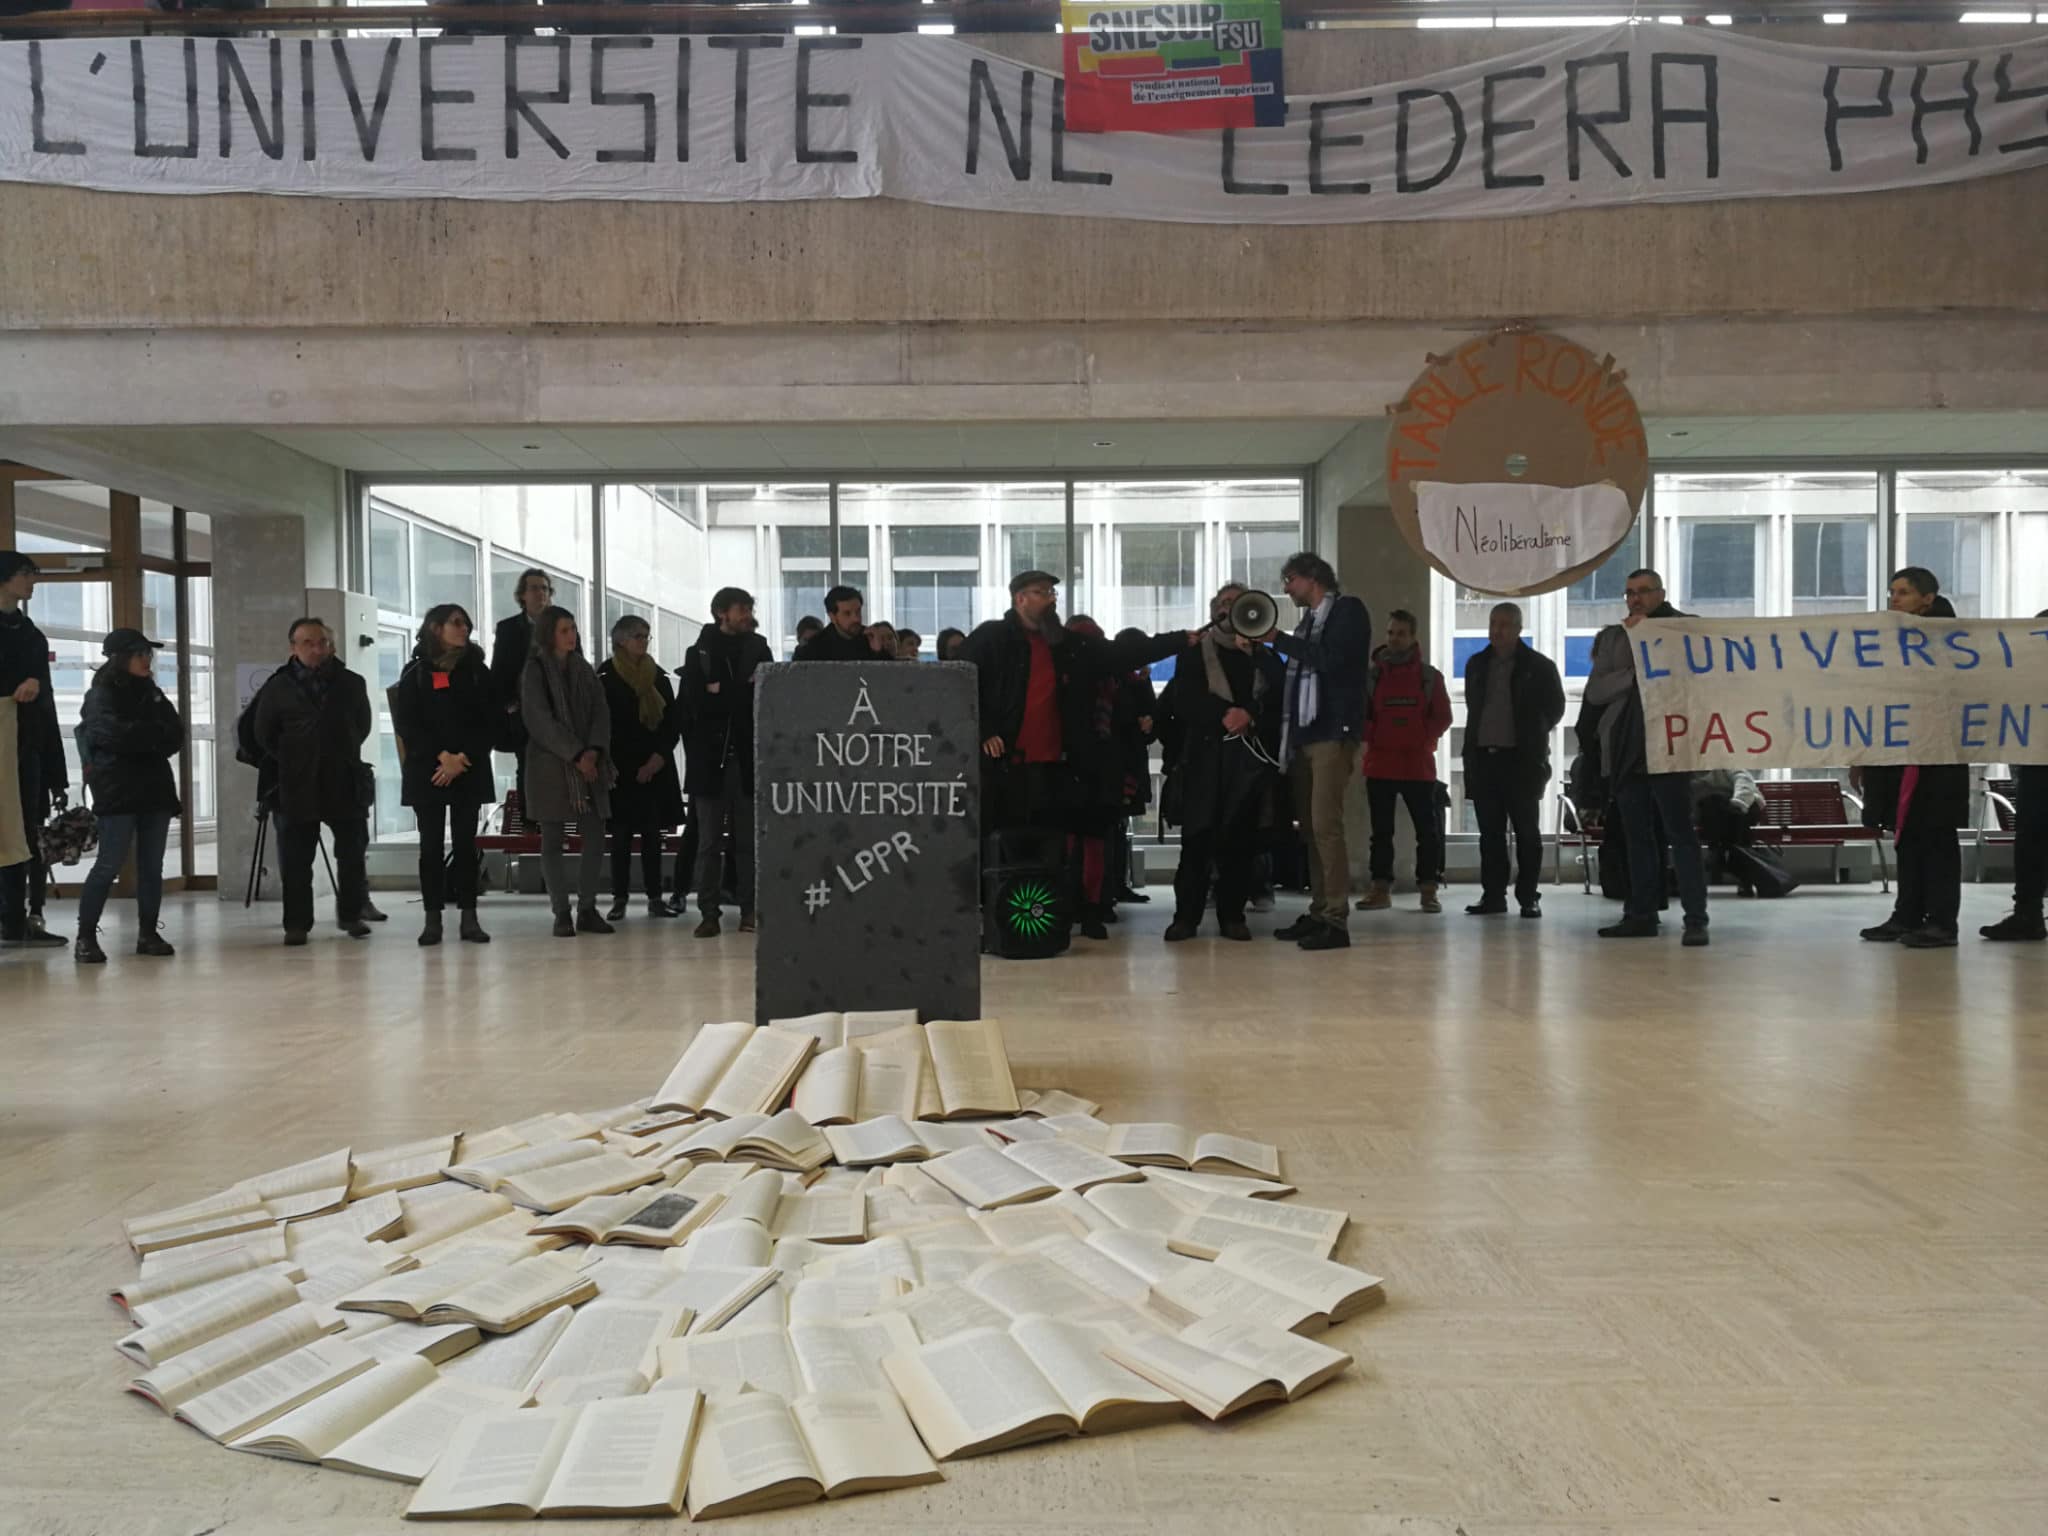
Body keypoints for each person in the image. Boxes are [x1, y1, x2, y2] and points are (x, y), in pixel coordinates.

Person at [962, 573, 1195, 935]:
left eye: (1052, 592)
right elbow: (961, 682)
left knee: (1052, 849)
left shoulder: (1066, 645)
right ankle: (998, 920)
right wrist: (985, 729)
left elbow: (1121, 653)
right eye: (1042, 593)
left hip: (1057, 766)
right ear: (1020, 599)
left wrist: (1180, 640)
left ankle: (1048, 919)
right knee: (999, 846)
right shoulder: (991, 638)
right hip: (1006, 766)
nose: (1051, 599)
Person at [1583, 569, 1709, 947]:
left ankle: (1696, 919)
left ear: (1661, 594)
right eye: (1628, 593)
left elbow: (1697, 679)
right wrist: (1637, 673)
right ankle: (1641, 913)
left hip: (1670, 749)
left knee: (1680, 835)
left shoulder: (1686, 630)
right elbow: (1597, 690)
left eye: (1642, 592)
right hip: (1625, 750)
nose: (1635, 599)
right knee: (1636, 837)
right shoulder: (1613, 637)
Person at [1257, 552, 1370, 952]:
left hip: (1332, 731)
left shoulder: (1348, 612)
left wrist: (1280, 641)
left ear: (1312, 578)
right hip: (1306, 734)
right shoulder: (1309, 623)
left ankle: (1336, 919)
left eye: (1289, 579)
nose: (1286, 588)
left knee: (1325, 824)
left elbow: (1336, 662)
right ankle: (1320, 908)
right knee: (1310, 828)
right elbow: (1301, 667)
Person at [1158, 584, 1282, 942]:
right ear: (1214, 609)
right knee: (1197, 839)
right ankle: (1186, 917)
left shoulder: (1261, 654)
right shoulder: (1196, 650)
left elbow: (1278, 695)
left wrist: (1251, 712)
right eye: (1223, 603)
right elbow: (1184, 698)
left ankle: (1232, 915)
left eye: (1236, 604)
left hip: (1247, 759)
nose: (1229, 609)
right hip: (1204, 755)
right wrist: (1226, 713)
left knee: (1238, 841)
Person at [1858, 569, 1970, 949]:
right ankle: (1907, 914)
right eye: (1892, 592)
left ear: (1928, 598)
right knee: (1907, 837)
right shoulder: (1891, 639)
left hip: (1938, 758)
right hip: (1899, 754)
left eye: (1903, 593)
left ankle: (1941, 921)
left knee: (1936, 837)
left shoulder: (1955, 642)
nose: (1894, 599)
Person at [252, 618, 375, 946]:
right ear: (293, 648)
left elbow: (361, 726)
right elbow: (263, 733)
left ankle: (351, 915)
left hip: (344, 779)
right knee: (295, 860)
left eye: (322, 642)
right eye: (307, 642)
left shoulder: (352, 683)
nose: (316, 649)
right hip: (296, 782)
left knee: (351, 855)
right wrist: (294, 755)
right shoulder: (277, 687)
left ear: (331, 645)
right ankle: (296, 924)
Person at [70, 628, 182, 964]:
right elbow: (109, 734)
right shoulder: (101, 695)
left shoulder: (153, 693)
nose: (147, 660)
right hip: (117, 791)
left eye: (149, 654)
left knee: (152, 867)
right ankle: (86, 936)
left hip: (155, 790)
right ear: (121, 658)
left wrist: (142, 736)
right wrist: (150, 735)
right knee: (108, 864)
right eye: (139, 654)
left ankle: (148, 932)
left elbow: (175, 734)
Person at [388, 603, 497, 947]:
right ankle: (432, 919)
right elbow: (408, 724)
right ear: (435, 628)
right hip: (428, 770)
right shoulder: (415, 672)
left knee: (466, 847)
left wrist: (461, 758)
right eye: (456, 623)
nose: (464, 628)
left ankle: (469, 917)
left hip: (468, 768)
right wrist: (442, 757)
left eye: (466, 623)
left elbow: (491, 722)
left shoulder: (478, 671)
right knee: (430, 847)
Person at [1459, 602, 1566, 920]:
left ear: (1519, 629)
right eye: (1493, 623)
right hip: (1484, 760)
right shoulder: (1476, 664)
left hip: (1522, 763)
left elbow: (1556, 708)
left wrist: (1533, 733)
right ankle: (1493, 895)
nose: (1497, 630)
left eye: (1504, 624)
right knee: (1489, 834)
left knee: (1527, 834)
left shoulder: (1539, 666)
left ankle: (1528, 896)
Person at [679, 586, 772, 937]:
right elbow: (695, 705)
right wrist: (735, 691)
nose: (747, 614)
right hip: (708, 761)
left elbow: (766, 697)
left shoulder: (758, 648)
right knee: (708, 842)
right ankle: (708, 912)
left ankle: (750, 909)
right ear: (722, 613)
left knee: (748, 842)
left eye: (749, 608)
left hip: (748, 760)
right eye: (740, 609)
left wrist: (720, 690)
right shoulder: (700, 652)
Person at [521, 607, 615, 938]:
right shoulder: (535, 670)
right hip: (550, 766)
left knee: (594, 836)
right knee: (553, 840)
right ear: (549, 634)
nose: (571, 635)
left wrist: (593, 751)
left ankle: (587, 908)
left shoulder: (585, 670)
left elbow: (601, 714)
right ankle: (561, 911)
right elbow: (539, 720)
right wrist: (575, 753)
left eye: (574, 628)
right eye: (564, 630)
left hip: (589, 766)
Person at [1357, 608, 1453, 916]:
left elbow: (1443, 716)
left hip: (1418, 767)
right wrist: (1382, 735)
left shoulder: (1429, 677)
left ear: (1413, 637)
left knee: (1428, 832)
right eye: (1390, 633)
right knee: (1380, 833)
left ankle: (1428, 891)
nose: (1394, 639)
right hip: (1380, 765)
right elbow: (1361, 717)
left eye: (1401, 633)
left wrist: (1420, 737)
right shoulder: (1372, 677)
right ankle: (1380, 889)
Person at [0, 551, 69, 947]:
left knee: (25, 832)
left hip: (26, 747)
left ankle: (18, 920)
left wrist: (56, 771)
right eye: (27, 574)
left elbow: (46, 704)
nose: (33, 581)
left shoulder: (31, 635)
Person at [598, 614, 684, 922]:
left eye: (647, 636)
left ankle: (655, 897)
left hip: (654, 767)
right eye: (638, 636)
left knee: (651, 835)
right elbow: (600, 724)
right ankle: (619, 898)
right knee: (619, 837)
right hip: (619, 769)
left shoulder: (657, 676)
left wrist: (657, 759)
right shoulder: (605, 676)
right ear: (620, 640)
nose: (644, 641)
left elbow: (672, 722)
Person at [1983, 608, 2048, 943]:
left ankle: (2028, 912)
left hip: (2036, 763)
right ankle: (2027, 911)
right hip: (2036, 763)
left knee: (2032, 839)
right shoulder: (2026, 676)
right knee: (2031, 839)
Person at [492, 568, 554, 828]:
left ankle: (553, 822)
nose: (540, 593)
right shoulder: (508, 629)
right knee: (527, 766)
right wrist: (510, 706)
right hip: (524, 711)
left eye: (545, 588)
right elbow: (500, 671)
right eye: (534, 588)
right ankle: (530, 824)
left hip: (555, 711)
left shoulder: (562, 626)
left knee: (555, 768)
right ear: (522, 595)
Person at [795, 587, 882, 661]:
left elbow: (891, 675)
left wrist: (878, 652)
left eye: (858, 611)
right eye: (847, 613)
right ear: (832, 616)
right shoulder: (815, 648)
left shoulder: (870, 638)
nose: (856, 618)